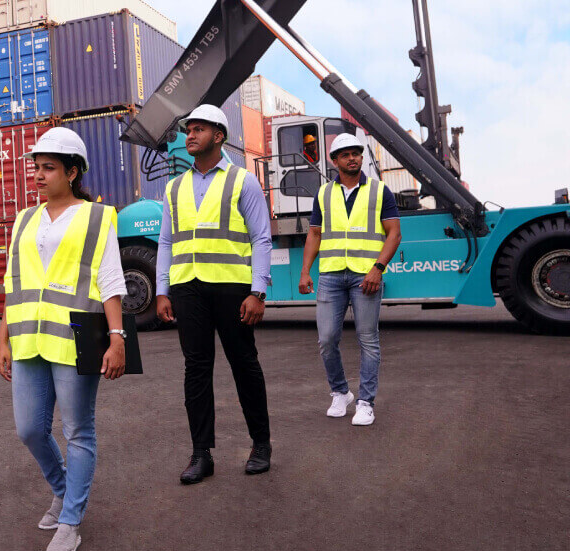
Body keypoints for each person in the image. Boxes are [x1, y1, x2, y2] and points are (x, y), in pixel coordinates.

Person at [0, 127, 126, 551]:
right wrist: (4, 338)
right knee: (29, 428)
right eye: (36, 166)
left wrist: (117, 337)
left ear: (72, 172)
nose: (38, 174)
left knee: (78, 430)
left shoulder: (96, 217)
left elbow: (109, 280)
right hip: (29, 336)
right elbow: (14, 282)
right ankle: (64, 489)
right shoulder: (25, 220)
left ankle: (70, 520)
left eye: (48, 167)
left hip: (78, 338)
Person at [154, 105, 275, 484]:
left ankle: (261, 444)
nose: (189, 135)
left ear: (218, 136)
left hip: (232, 287)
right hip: (188, 287)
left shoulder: (243, 182)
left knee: (244, 364)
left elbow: (261, 238)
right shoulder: (174, 188)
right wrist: (162, 291)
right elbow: (166, 242)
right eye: (188, 129)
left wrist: (258, 291)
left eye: (199, 129)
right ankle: (201, 453)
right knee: (196, 369)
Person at [298, 133, 402, 426]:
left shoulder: (380, 192)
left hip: (365, 274)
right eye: (345, 154)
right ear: (335, 161)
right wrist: (306, 271)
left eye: (356, 153)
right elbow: (315, 235)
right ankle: (341, 392)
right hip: (330, 274)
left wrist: (377, 268)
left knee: (368, 340)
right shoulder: (323, 194)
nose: (352, 158)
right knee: (327, 339)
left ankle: (366, 402)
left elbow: (394, 233)